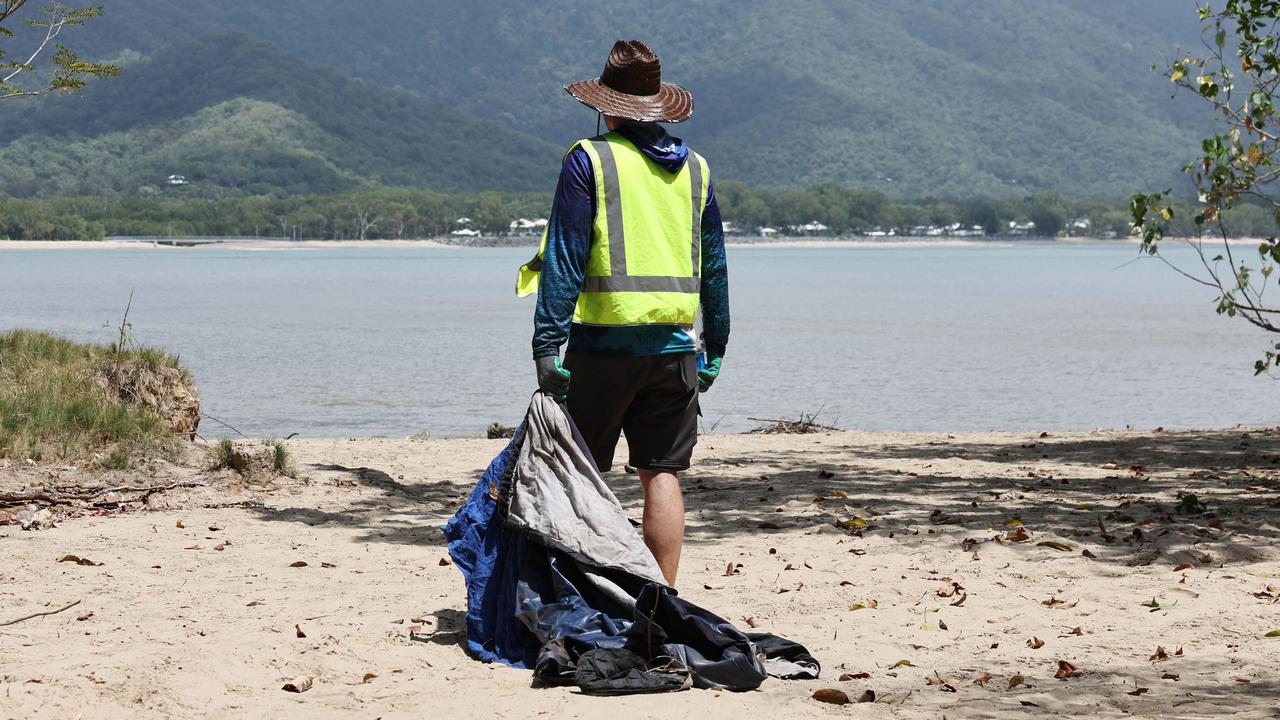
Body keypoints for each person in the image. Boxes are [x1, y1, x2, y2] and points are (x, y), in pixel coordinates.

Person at [516, 39, 729, 587]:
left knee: (580, 476)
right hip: (677, 350)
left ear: (605, 105)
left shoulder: (590, 160)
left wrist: (546, 346)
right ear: (656, 106)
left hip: (603, 349)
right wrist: (718, 345)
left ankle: (589, 589)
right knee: (662, 474)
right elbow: (715, 268)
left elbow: (566, 258)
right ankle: (662, 600)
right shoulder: (697, 170)